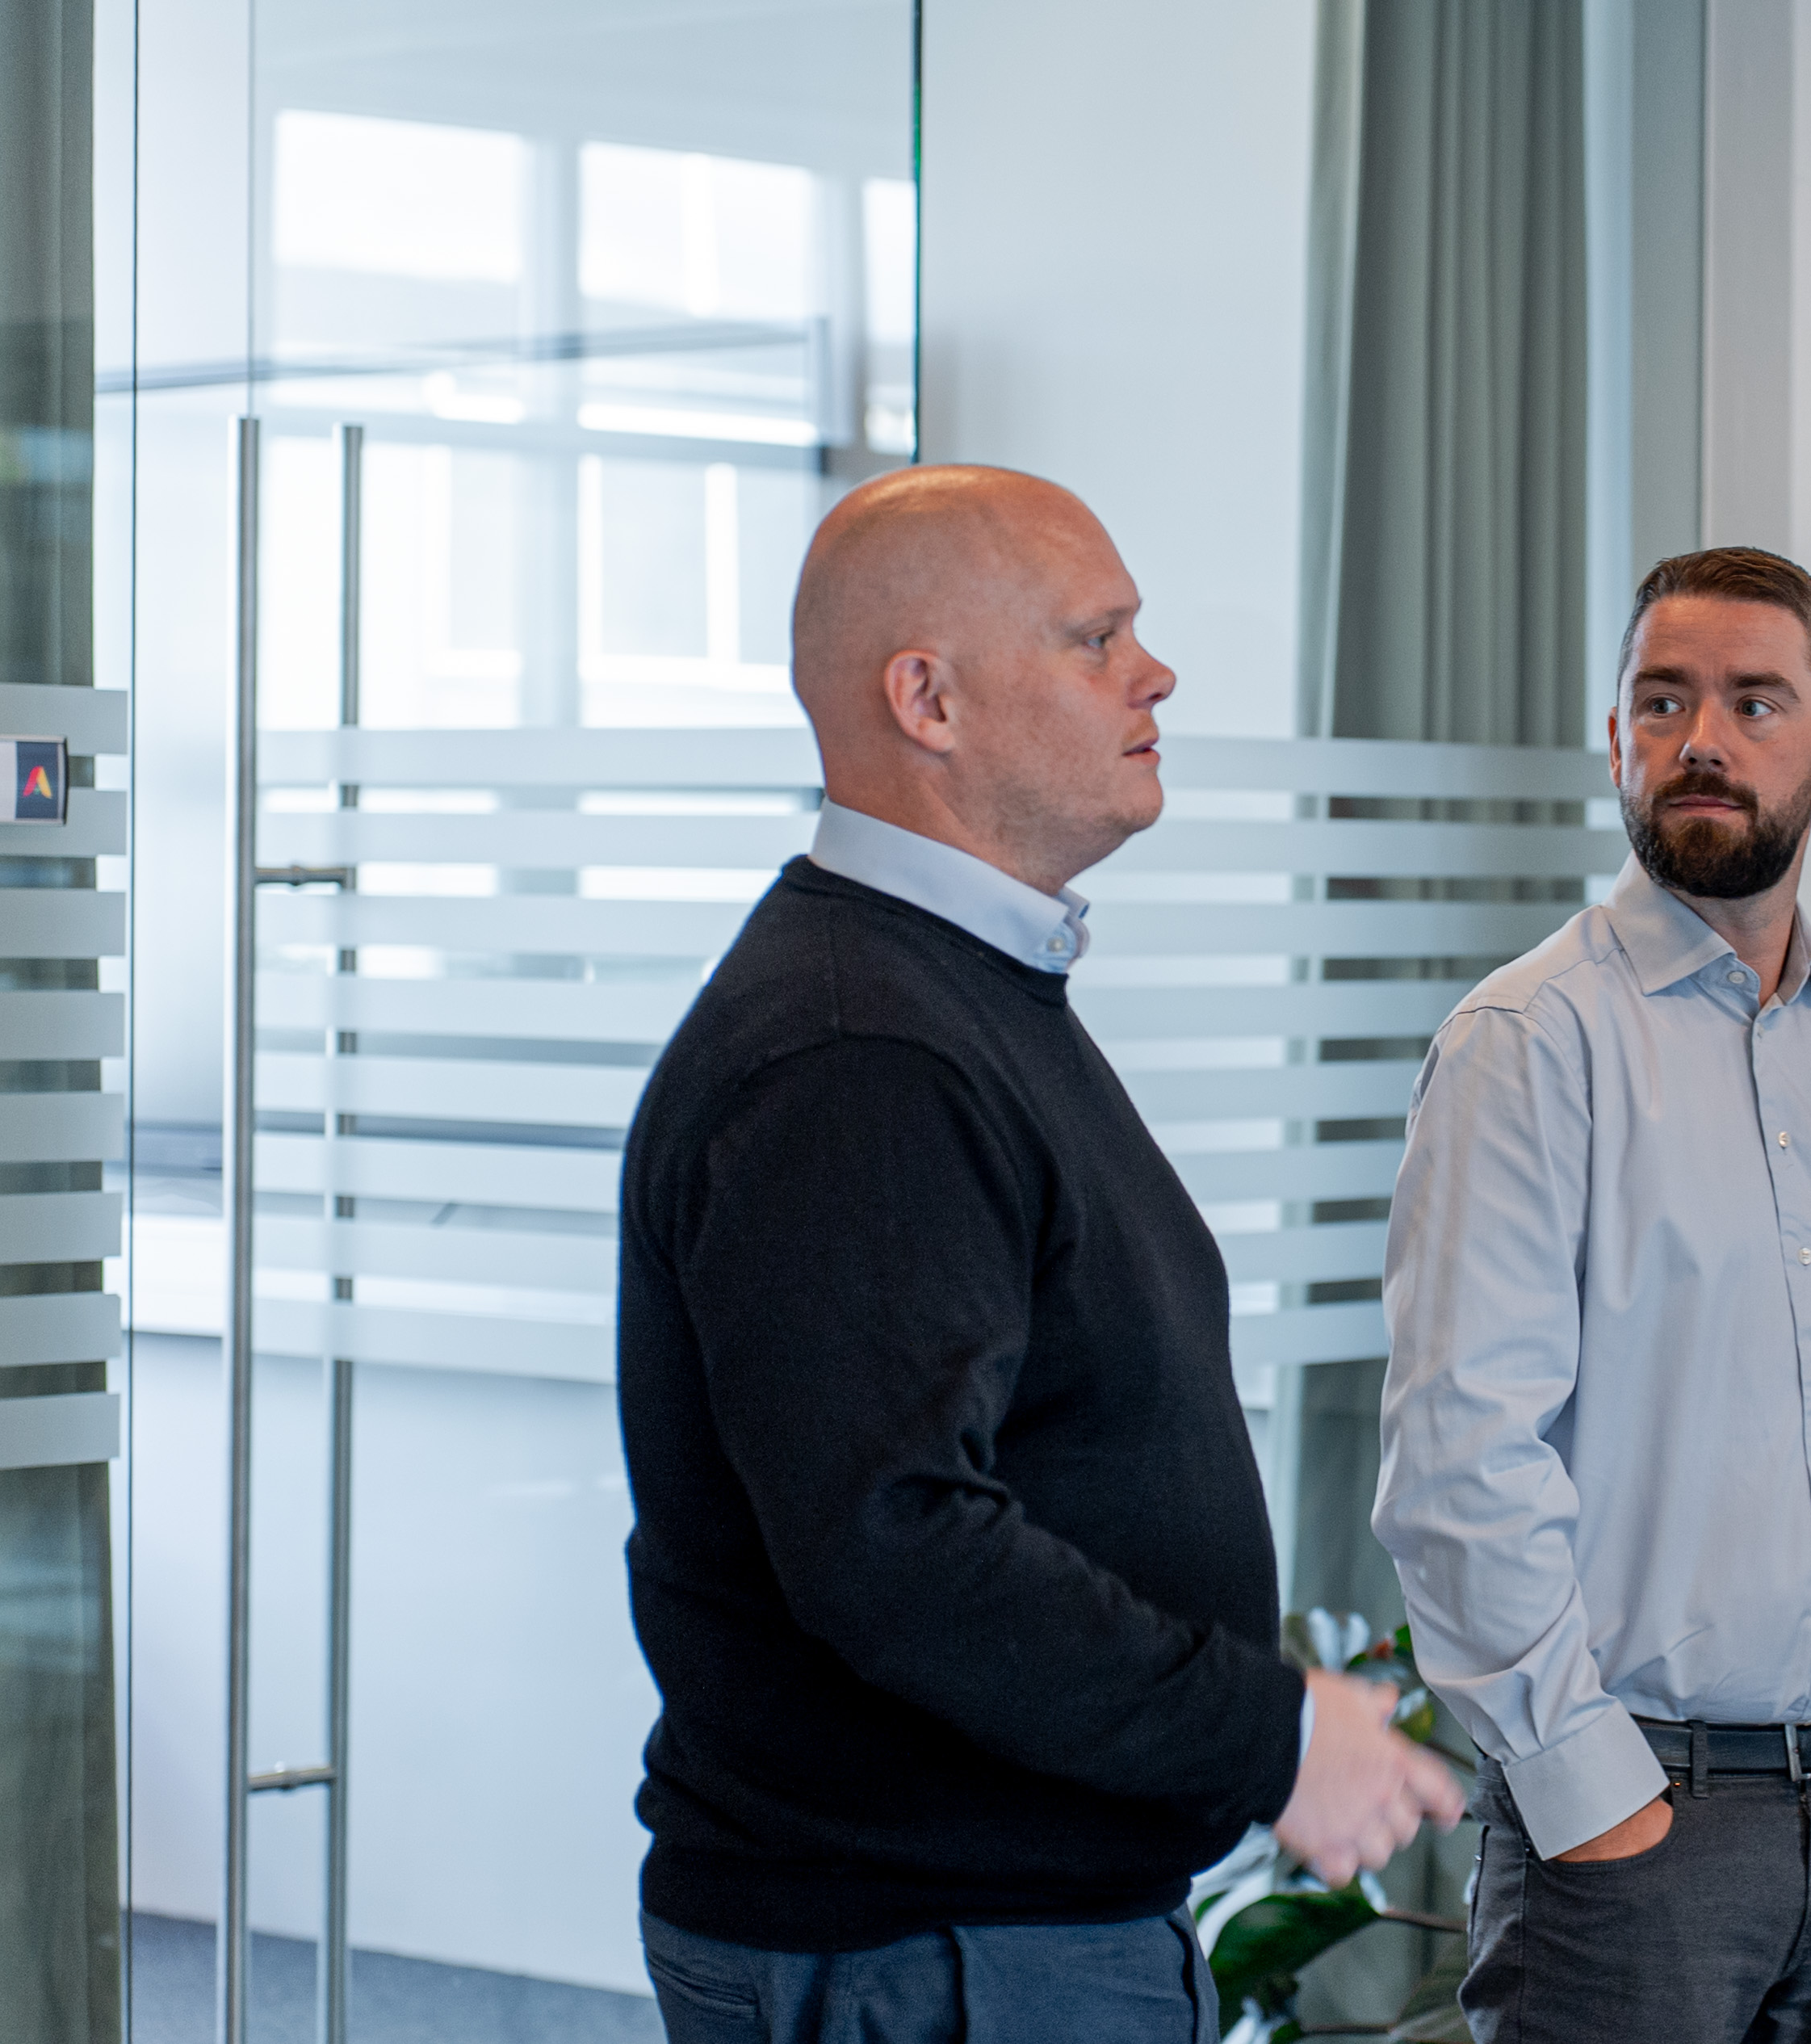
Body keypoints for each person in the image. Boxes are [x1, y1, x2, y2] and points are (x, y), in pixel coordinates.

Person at [616, 465, 1461, 2042]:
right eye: (1097, 637)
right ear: (926, 699)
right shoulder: (859, 1051)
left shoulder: (945, 994)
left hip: (988, 1941)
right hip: (934, 1956)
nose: (1155, 674)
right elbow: (897, 1541)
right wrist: (1267, 1734)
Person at [1372, 546, 1811, 2042]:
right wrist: (1594, 1793)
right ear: (1615, 737)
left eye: (1755, 702)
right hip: (1633, 1836)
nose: (1703, 741)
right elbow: (1461, 1462)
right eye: (1663, 701)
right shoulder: (1526, 1042)